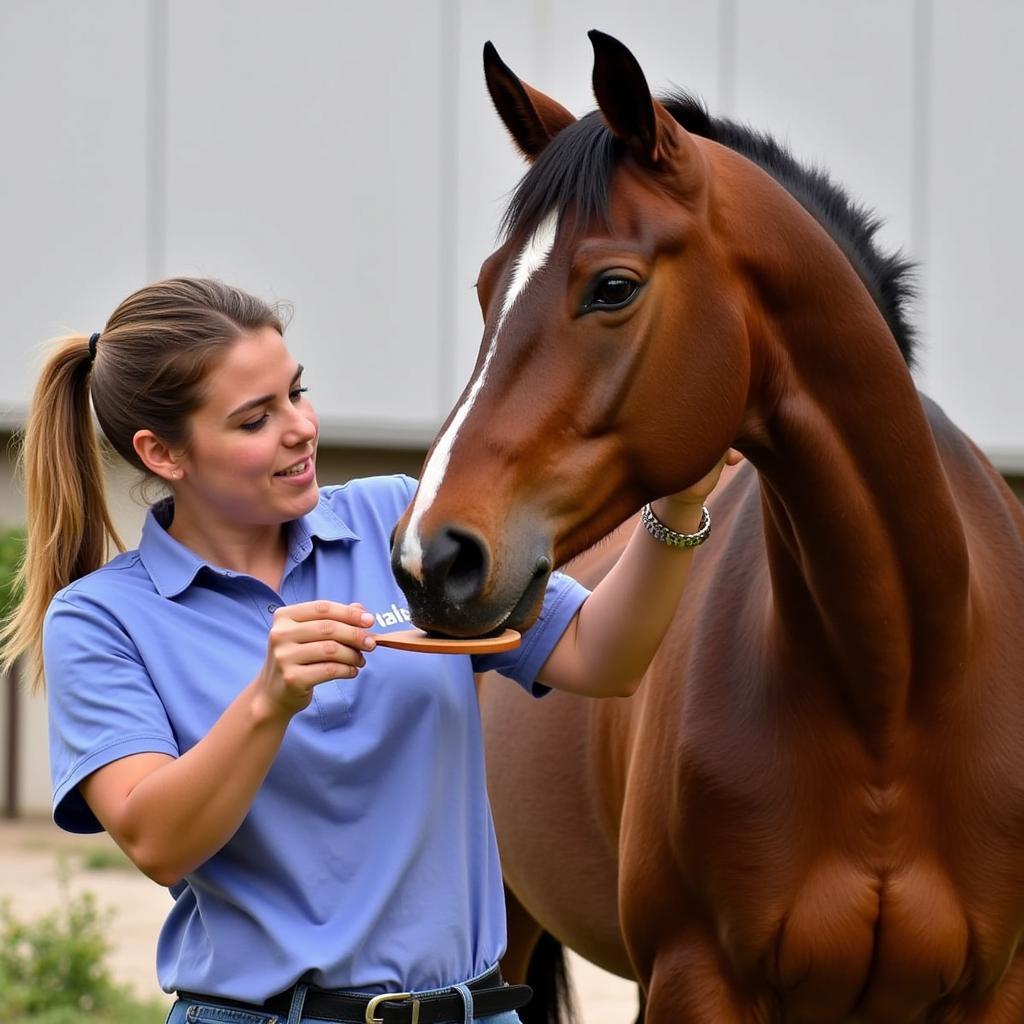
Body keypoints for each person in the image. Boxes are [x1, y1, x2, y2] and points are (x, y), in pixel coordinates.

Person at [2, 277, 737, 1024]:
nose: (301, 427)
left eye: (297, 392)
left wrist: (677, 508)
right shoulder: (102, 620)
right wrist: (268, 702)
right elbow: (158, 842)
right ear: (163, 454)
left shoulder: (395, 520)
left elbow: (601, 658)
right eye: (256, 419)